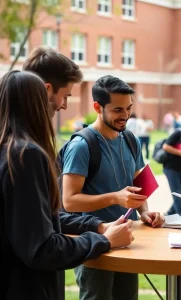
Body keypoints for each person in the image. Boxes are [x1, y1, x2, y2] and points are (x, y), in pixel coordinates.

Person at [0, 71, 135, 300]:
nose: (59, 107)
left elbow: (37, 219)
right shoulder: (27, 156)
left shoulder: (9, 151)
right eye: (50, 101)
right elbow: (42, 247)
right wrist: (104, 240)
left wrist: (98, 227)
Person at [61, 75, 165, 300]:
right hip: (94, 244)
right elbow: (68, 201)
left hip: (127, 241)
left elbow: (139, 183)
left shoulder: (130, 139)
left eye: (128, 108)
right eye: (118, 109)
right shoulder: (81, 146)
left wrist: (145, 212)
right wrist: (115, 198)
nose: (125, 115)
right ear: (97, 107)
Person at [23, 46, 107, 237]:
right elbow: (39, 242)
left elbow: (46, 217)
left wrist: (98, 227)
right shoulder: (26, 151)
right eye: (65, 96)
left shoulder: (31, 141)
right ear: (46, 90)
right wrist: (103, 240)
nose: (64, 106)